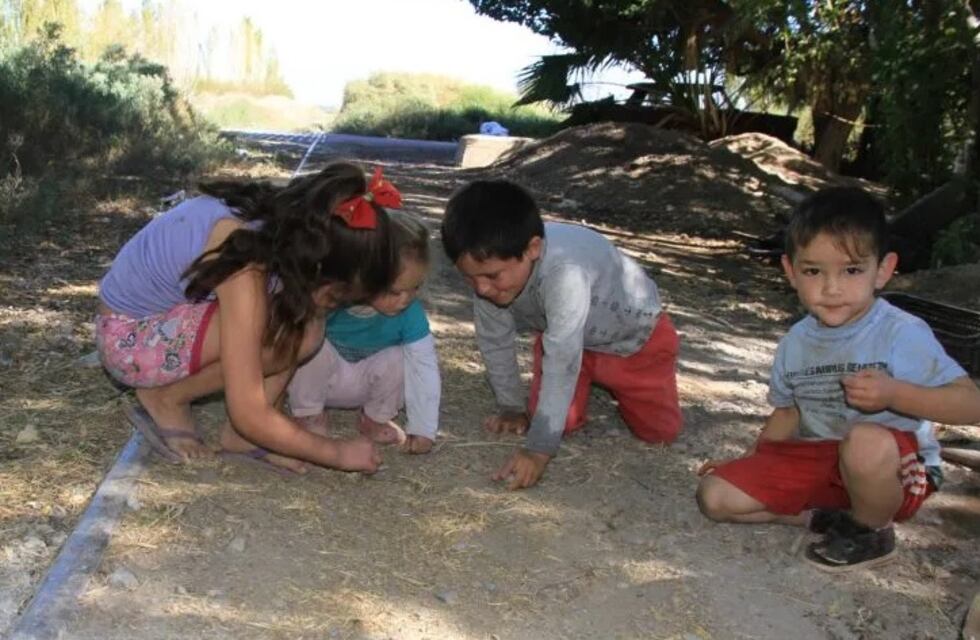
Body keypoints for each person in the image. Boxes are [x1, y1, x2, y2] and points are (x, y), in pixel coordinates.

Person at [696, 186, 980, 571]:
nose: (832, 288)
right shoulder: (795, 343)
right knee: (716, 496)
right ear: (791, 272)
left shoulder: (900, 332)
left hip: (896, 469)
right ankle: (828, 517)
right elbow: (789, 413)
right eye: (813, 271)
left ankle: (871, 529)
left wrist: (895, 394)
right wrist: (751, 461)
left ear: (883, 270)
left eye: (852, 270)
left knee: (865, 441)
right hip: (823, 458)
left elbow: (971, 405)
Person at [96, 163, 404, 474]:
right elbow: (248, 411)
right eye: (336, 296)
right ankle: (166, 398)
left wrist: (277, 429)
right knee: (291, 329)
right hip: (127, 342)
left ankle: (240, 439)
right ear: (316, 265)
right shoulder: (243, 262)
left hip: (158, 328)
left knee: (302, 325)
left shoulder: (283, 227)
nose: (335, 306)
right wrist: (334, 453)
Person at [441, 179, 682, 490]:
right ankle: (582, 388)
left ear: (532, 249)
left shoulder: (565, 272)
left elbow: (562, 359)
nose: (481, 289)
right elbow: (495, 340)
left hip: (634, 343)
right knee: (553, 421)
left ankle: (617, 390)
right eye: (469, 278)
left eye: (491, 276)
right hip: (564, 339)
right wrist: (511, 407)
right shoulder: (488, 280)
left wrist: (538, 451)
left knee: (659, 433)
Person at [287, 211, 441, 454]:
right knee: (311, 345)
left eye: (415, 288)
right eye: (394, 291)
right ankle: (309, 414)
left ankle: (375, 418)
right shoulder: (334, 302)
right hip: (324, 382)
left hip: (365, 386)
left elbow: (424, 366)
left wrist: (423, 428)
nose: (406, 300)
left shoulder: (410, 313)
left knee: (401, 357)